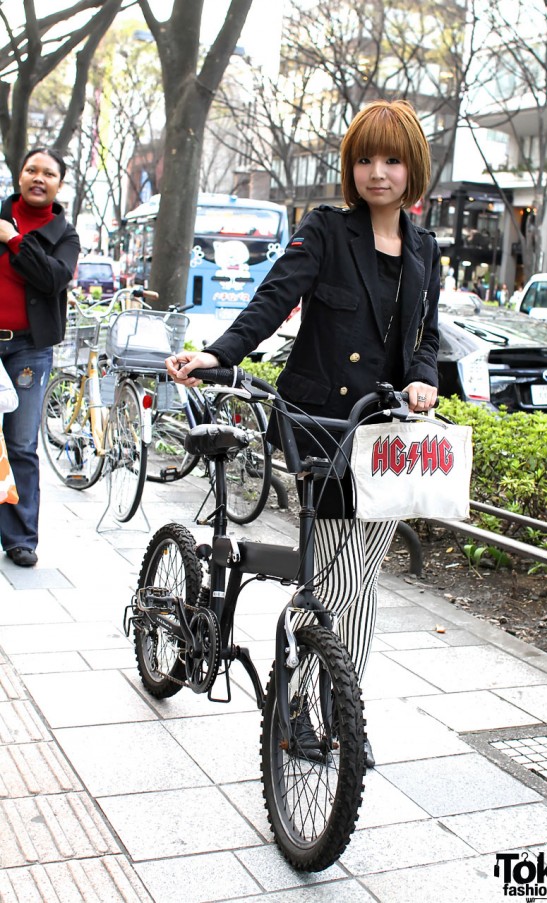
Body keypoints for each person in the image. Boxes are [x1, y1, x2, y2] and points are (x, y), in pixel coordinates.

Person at [166, 100, 440, 766]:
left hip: (389, 435)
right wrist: (220, 354)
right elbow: (273, 295)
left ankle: (345, 707)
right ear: (351, 168)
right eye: (365, 159)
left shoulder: (425, 247)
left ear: (413, 168)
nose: (378, 172)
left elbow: (426, 335)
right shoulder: (326, 230)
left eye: (392, 159)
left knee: (363, 580)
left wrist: (424, 378)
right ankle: (297, 697)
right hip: (320, 425)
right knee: (338, 584)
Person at [0, 148, 80, 567]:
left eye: (48, 173)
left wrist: (12, 239)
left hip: (29, 348)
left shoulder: (65, 235)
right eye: (31, 169)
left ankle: (20, 538)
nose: (38, 177)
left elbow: (52, 278)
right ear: (20, 175)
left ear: (58, 184)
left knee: (21, 442)